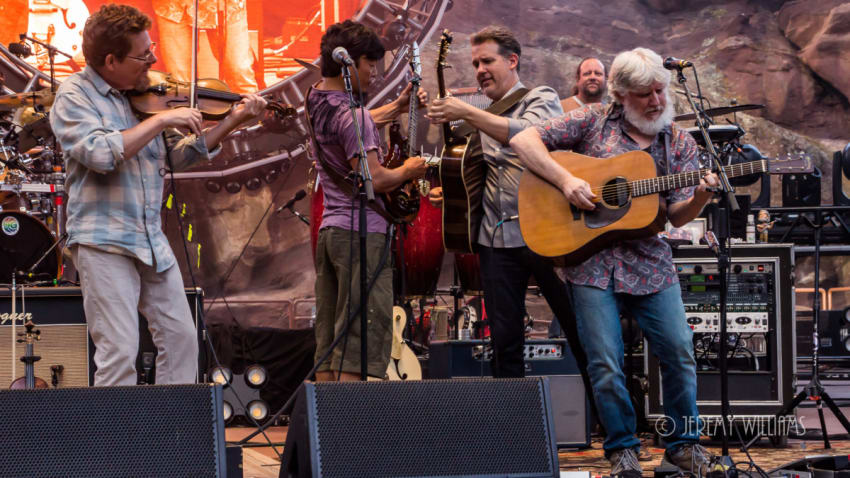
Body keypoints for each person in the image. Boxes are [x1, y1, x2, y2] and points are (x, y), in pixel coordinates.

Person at [510, 47, 718, 477]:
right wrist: (566, 181)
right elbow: (522, 140)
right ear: (621, 95)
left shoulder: (677, 141)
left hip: (651, 264)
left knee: (679, 352)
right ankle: (622, 449)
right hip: (590, 265)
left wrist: (700, 195)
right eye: (645, 94)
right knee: (605, 361)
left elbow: (675, 214)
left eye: (660, 91)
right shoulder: (590, 122)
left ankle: (682, 445)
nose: (657, 101)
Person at [49, 4, 267, 386]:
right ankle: (116, 445)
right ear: (111, 60)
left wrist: (233, 121)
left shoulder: (145, 97)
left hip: (149, 239)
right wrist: (163, 119)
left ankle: (170, 437)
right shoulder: (73, 96)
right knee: (119, 352)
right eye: (142, 54)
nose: (152, 59)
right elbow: (100, 154)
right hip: (103, 241)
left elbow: (181, 156)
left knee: (182, 340)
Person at [426, 26, 588, 381]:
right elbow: (485, 170)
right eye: (475, 63)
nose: (480, 69)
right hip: (496, 238)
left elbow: (524, 136)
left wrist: (467, 113)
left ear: (512, 61)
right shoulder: (483, 116)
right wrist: (455, 193)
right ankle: (514, 426)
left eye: (487, 61)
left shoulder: (540, 96)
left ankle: (611, 423)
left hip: (546, 231)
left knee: (579, 330)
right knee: (504, 340)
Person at [309, 20, 428, 382]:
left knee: (330, 341)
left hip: (331, 235)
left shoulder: (316, 98)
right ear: (349, 65)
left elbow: (352, 126)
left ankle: (326, 431)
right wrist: (410, 169)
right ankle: (349, 430)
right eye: (369, 64)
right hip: (362, 238)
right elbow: (375, 179)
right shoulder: (354, 115)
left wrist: (397, 105)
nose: (374, 73)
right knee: (360, 337)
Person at [151, 0, 257, 93]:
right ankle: (187, 114)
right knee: (180, 83)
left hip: (224, 6)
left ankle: (253, 112)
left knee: (238, 71)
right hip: (172, 6)